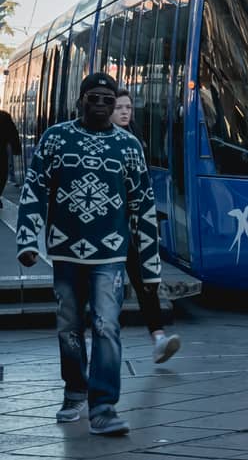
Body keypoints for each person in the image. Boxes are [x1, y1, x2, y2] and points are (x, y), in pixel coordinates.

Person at [16, 73, 159, 437]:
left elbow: (143, 205)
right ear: (80, 100)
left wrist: (149, 266)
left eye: (107, 100)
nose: (99, 105)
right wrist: (28, 242)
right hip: (65, 253)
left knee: (107, 326)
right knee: (69, 328)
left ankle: (104, 407)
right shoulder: (56, 138)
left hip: (110, 255)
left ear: (115, 106)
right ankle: (75, 390)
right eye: (92, 98)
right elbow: (34, 189)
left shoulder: (129, 147)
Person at [112, 91, 182, 364]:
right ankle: (103, 336)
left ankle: (158, 338)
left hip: (133, 228)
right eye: (119, 107)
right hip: (106, 232)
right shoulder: (106, 143)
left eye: (128, 107)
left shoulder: (135, 141)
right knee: (109, 285)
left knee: (144, 282)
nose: (125, 112)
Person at [0, 107, 21, 194]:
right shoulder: (4, 116)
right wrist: (16, 149)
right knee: (2, 175)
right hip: (1, 154)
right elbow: (13, 134)